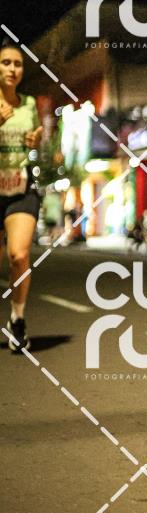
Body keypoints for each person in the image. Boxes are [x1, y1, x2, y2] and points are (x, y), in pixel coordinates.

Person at [0, 41, 43, 353]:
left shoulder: (29, 104)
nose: (12, 69)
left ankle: (17, 318)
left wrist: (36, 140)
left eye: (17, 64)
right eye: (6, 63)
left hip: (20, 190)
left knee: (18, 255)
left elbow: (36, 137)